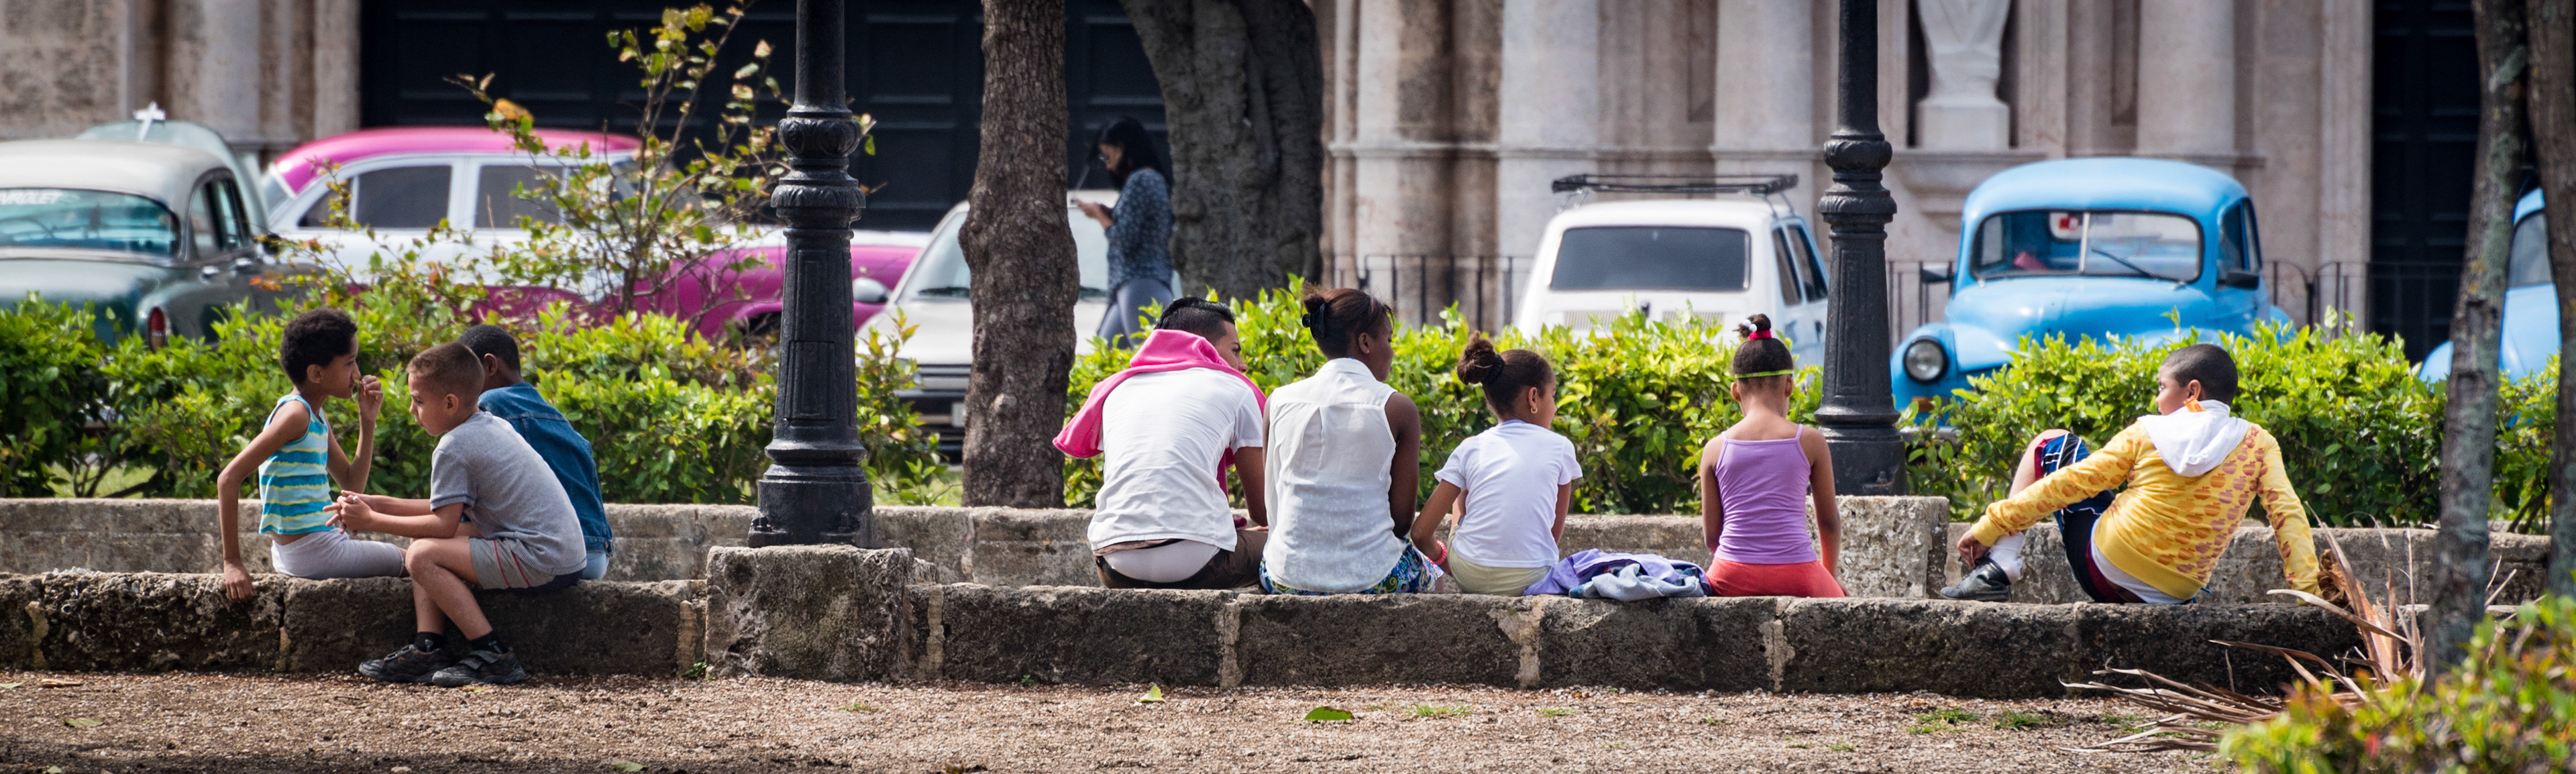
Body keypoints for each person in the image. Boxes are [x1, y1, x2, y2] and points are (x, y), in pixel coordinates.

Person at [1944, 343, 2321, 604]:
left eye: (2162, 387)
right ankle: (1999, 566)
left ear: (2192, 392)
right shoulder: (2259, 444)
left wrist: (1990, 525)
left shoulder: (2148, 431)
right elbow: (2287, 515)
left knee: (2051, 442)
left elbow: (2073, 482)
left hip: (2105, 572)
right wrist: (2310, 595)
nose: (2157, 400)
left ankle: (2000, 565)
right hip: (2177, 591)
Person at [331, 343, 586, 686]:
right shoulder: (489, 425)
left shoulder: (454, 447)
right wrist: (376, 503)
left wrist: (371, 521)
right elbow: (444, 510)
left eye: (419, 401)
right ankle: (428, 647)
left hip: (541, 557)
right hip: (561, 554)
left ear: (450, 403)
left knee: (421, 555)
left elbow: (443, 524)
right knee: (421, 540)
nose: (411, 409)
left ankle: (493, 654)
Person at [1056, 298, 1270, 588]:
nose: (1242, 365)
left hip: (1113, 565)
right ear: (1202, 345)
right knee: (1290, 545)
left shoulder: (1117, 389)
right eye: (1235, 351)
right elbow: (1263, 512)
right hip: (1197, 563)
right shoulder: (1235, 387)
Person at [213, 308, 398, 602]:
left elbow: (352, 484)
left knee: (419, 555)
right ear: (316, 374)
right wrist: (232, 563)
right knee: (416, 559)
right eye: (349, 363)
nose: (357, 374)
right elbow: (228, 478)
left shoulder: (315, 415)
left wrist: (368, 421)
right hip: (315, 552)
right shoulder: (296, 414)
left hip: (313, 549)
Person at [1260, 288, 1432, 595]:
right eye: (1389, 340)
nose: (1392, 352)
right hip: (1373, 578)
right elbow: (1401, 521)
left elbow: (1272, 497)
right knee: (1434, 575)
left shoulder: (1277, 402)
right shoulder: (1397, 408)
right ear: (1366, 342)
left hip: (1283, 577)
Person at [1408, 336, 1580, 596]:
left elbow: (1420, 534)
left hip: (1469, 574)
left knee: (1466, 477)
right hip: (1533, 576)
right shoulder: (1561, 448)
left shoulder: (1470, 449)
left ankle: (1468, 555)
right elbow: (1551, 538)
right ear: (1534, 397)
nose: (1555, 408)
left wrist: (1447, 561)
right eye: (1553, 397)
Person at [1698, 315, 1845, 598]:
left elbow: (1712, 537)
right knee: (1843, 607)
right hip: (1799, 574)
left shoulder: (1715, 449)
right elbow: (1829, 522)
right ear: (1789, 386)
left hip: (1729, 574)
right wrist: (1829, 578)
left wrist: (1743, 565)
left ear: (1735, 392)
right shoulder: (1810, 442)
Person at [458, 325, 613, 579]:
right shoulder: (556, 417)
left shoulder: (489, 405)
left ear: (490, 366)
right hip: (595, 553)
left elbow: (463, 508)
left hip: (552, 552)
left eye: (464, 377)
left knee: (429, 546)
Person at [1075, 116, 1173, 343]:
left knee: (1144, 354)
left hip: (1141, 280)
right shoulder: (1151, 179)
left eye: (1108, 157)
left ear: (1123, 149)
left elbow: (1124, 238)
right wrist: (1110, 214)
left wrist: (1099, 215)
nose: (1108, 166)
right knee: (1107, 352)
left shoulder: (1141, 180)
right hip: (1135, 282)